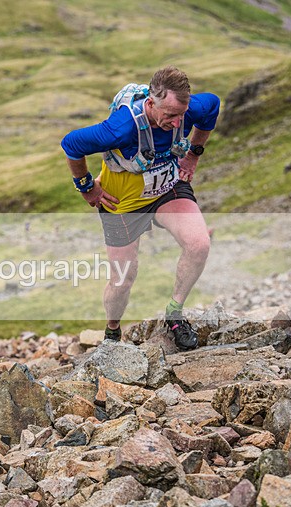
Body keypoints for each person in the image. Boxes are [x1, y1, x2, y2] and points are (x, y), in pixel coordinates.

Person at [61, 66, 220, 350]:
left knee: (199, 244)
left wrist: (194, 154)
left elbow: (212, 106)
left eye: (180, 115)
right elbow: (72, 144)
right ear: (150, 103)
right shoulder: (122, 128)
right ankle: (112, 330)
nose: (176, 122)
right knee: (123, 280)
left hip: (167, 188)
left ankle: (174, 314)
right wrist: (86, 187)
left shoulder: (189, 108)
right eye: (169, 115)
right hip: (123, 202)